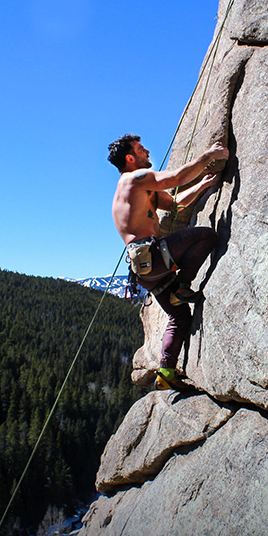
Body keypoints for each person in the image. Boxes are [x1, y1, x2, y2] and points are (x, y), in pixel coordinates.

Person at [109, 133, 228, 390]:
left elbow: (175, 203)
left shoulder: (139, 188)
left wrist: (203, 184)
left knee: (180, 316)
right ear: (130, 158)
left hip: (146, 271)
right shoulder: (133, 179)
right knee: (206, 237)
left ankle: (166, 373)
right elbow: (174, 179)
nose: (147, 152)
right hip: (153, 256)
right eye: (141, 150)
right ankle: (182, 286)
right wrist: (209, 156)